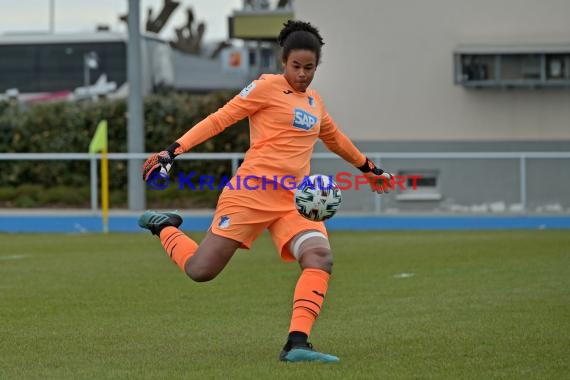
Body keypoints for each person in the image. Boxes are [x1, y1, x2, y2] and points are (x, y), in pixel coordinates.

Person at [138, 20, 393, 363]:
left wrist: (369, 170)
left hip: (295, 202)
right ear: (283, 62)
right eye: (296, 66)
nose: (302, 74)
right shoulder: (265, 88)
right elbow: (219, 119)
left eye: (309, 68)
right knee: (201, 271)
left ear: (318, 66)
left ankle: (297, 343)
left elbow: (335, 139)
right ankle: (164, 225)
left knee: (320, 258)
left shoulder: (315, 103)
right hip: (251, 193)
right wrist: (173, 150)